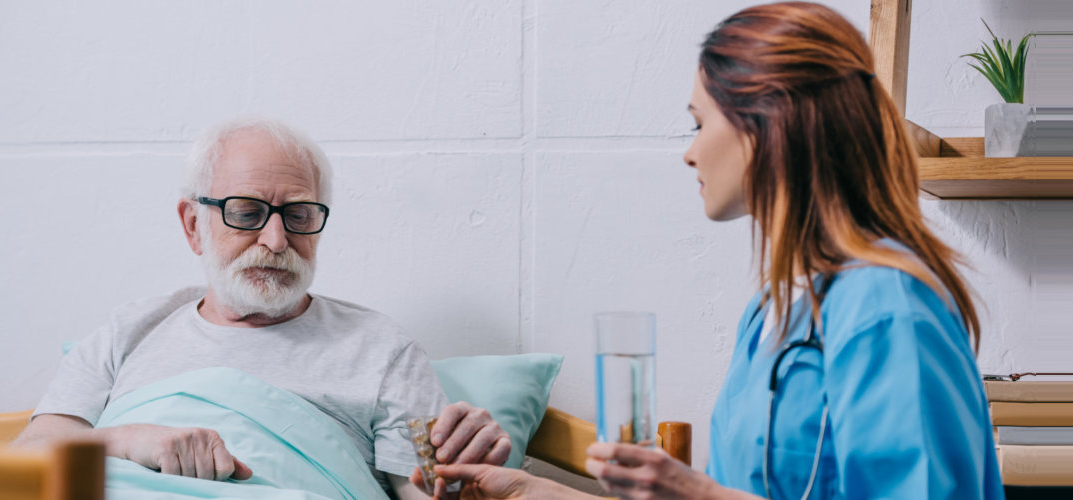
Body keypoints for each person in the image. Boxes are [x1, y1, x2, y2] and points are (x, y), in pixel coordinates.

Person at [423, 2, 1003, 499]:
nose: (691, 152)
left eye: (700, 123)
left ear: (767, 123)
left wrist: (693, 491)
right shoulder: (773, 312)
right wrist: (532, 489)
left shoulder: (887, 308)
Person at [13, 116, 513, 500]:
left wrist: (466, 479)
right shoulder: (131, 330)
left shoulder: (382, 348)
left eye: (298, 215)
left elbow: (426, 490)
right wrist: (130, 439)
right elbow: (29, 456)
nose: (276, 241)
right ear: (193, 225)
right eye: (247, 212)